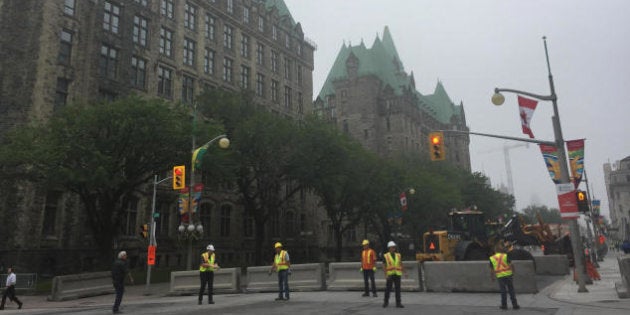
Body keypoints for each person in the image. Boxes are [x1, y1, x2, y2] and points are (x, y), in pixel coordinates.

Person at [489, 243, 520, 310]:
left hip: (500, 276)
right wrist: (513, 272)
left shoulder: (492, 258)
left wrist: (492, 277)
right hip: (508, 275)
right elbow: (511, 264)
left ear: (495, 250)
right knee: (511, 290)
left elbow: (492, 270)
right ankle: (515, 305)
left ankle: (504, 305)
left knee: (503, 291)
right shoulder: (505, 256)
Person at [382, 241, 403, 308]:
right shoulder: (386, 256)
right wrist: (386, 274)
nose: (393, 248)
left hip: (397, 274)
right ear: (389, 248)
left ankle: (398, 303)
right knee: (388, 289)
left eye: (394, 247)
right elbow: (384, 265)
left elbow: (400, 263)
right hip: (390, 275)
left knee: (398, 289)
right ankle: (385, 302)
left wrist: (404, 272)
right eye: (392, 247)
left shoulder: (398, 255)